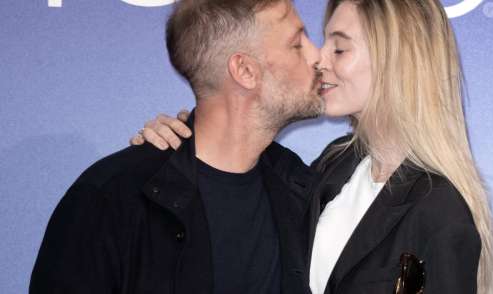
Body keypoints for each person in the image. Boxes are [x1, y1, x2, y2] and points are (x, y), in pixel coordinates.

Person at [132, 0, 493, 293]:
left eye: (339, 48)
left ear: (394, 60)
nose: (319, 59)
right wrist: (181, 137)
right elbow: (230, 170)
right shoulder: (328, 168)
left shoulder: (441, 213)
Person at [29, 0, 324, 293]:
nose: (317, 56)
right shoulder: (110, 199)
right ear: (245, 70)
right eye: (297, 44)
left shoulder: (301, 187)